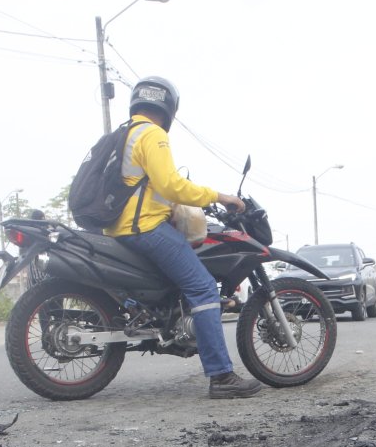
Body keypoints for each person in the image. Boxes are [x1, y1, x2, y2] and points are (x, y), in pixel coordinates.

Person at [104, 76, 262, 399]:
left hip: (122, 228)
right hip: (145, 228)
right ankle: (221, 375)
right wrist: (219, 197)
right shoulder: (152, 134)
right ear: (168, 107)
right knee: (203, 287)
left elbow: (150, 188)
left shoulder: (125, 134)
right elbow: (171, 185)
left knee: (183, 281)